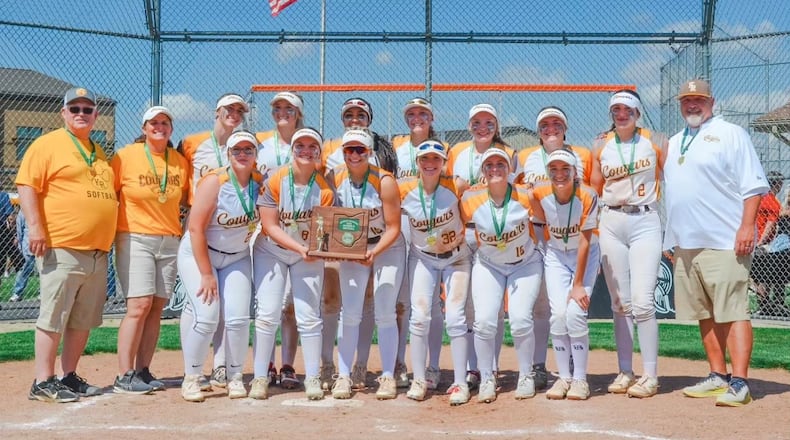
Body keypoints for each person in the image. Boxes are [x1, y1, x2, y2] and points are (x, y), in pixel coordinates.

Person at [663, 79, 768, 407]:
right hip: (685, 242)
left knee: (733, 310)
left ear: (712, 101)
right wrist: (671, 237)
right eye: (686, 100)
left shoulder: (731, 133)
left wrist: (747, 226)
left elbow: (753, 186)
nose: (692, 105)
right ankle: (717, 375)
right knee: (704, 312)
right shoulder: (676, 140)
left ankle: (740, 382)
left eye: (699, 99)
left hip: (724, 239)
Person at [17, 87, 118, 403]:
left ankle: (68, 375)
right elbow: (27, 185)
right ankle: (42, 381)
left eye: (87, 110)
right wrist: (35, 228)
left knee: (82, 319)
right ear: (63, 113)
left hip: (97, 251)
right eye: (74, 108)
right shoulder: (47, 144)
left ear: (95, 115)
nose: (81, 114)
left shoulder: (99, 153)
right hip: (62, 246)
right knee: (53, 316)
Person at [590, 90, 668, 398]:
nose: (621, 114)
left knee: (644, 302)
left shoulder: (657, 140)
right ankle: (625, 371)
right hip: (611, 220)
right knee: (619, 303)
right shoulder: (600, 144)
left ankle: (650, 374)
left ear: (637, 111)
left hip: (645, 219)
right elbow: (596, 188)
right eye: (616, 109)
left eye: (627, 109)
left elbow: (668, 178)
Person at [319, 98, 398, 391]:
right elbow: (327, 213)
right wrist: (336, 249)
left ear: (369, 150)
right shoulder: (333, 174)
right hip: (351, 246)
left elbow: (394, 227)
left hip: (385, 245)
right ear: (342, 151)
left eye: (360, 150)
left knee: (384, 311)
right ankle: (342, 374)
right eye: (349, 149)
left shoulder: (384, 178)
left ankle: (386, 374)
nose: (354, 154)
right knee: (348, 311)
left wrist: (373, 251)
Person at [178, 130, 263, 402]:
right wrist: (206, 273)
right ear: (228, 154)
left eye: (248, 150)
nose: (242, 154)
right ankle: (192, 377)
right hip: (200, 253)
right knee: (207, 315)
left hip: (236, 256)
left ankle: (234, 375)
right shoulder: (215, 181)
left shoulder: (260, 183)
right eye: (237, 150)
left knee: (238, 319)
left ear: (255, 156)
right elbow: (195, 228)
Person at [251, 127, 335, 400]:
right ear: (292, 150)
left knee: (309, 315)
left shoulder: (323, 189)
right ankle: (260, 377)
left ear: (319, 153)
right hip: (272, 250)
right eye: (300, 146)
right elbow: (270, 225)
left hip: (305, 254)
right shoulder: (276, 179)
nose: (306, 151)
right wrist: (301, 247)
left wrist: (317, 250)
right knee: (267, 313)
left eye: (312, 147)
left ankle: (311, 377)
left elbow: (323, 231)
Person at [110, 106, 190, 394]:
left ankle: (142, 370)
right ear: (144, 128)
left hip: (169, 239)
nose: (160, 127)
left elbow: (186, 200)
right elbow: (111, 195)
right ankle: (124, 373)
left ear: (171, 129)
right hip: (135, 236)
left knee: (156, 307)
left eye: (165, 123)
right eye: (154, 123)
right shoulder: (125, 156)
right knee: (139, 305)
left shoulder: (179, 161)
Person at [514, 106, 593, 390]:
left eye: (556, 124)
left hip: (573, 236)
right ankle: (540, 366)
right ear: (537, 131)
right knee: (544, 307)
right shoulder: (525, 158)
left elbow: (590, 194)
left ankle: (573, 368)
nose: (551, 129)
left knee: (568, 310)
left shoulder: (582, 155)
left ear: (565, 128)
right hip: (540, 237)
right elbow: (521, 194)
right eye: (544, 125)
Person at [460, 148, 543, 402]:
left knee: (519, 319)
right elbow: (462, 227)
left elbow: (542, 222)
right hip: (489, 264)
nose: (495, 169)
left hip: (525, 264)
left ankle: (526, 375)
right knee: (484, 321)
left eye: (500, 164)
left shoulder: (526, 195)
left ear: (510, 170)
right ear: (483, 172)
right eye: (489, 165)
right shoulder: (469, 199)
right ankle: (486, 377)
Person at [447, 103, 516, 390]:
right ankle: (470, 368)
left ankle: (490, 363)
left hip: (495, 235)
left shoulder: (509, 153)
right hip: (466, 232)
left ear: (496, 125)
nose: (482, 127)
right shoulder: (457, 153)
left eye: (488, 122)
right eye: (477, 122)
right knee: (467, 304)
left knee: (492, 306)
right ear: (470, 124)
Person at [400, 139, 472, 406]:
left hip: (456, 258)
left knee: (455, 317)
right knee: (419, 316)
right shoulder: (404, 189)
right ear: (417, 163)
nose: (430, 164)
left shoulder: (457, 185)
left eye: (436, 160)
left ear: (444, 163)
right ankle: (420, 378)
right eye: (424, 160)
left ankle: (460, 382)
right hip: (423, 257)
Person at [529, 149, 600, 401]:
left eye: (565, 169)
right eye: (554, 170)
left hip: (585, 256)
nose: (560, 175)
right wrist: (542, 248)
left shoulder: (587, 194)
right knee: (558, 314)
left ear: (575, 172)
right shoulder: (539, 192)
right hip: (556, 254)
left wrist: (578, 284)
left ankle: (580, 379)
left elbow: (584, 241)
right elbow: (536, 218)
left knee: (575, 312)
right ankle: (564, 377)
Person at [391, 97, 446, 391]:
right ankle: (400, 363)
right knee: (403, 303)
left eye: (422, 113)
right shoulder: (396, 150)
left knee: (432, 303)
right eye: (411, 113)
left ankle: (432, 366)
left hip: (432, 227)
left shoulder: (442, 149)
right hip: (403, 224)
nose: (416, 118)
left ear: (431, 118)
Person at [255, 91, 305, 389]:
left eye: (289, 108)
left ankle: (287, 364)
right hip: (266, 230)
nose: (282, 112)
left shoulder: (310, 142)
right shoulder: (260, 145)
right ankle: (267, 364)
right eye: (277, 108)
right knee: (268, 304)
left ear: (298, 113)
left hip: (299, 232)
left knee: (291, 306)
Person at [9, 208, 36, 302]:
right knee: (24, 269)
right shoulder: (24, 209)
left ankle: (43, 293)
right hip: (27, 245)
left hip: (44, 245)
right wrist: (20, 246)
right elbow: (19, 228)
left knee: (45, 271)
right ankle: (17, 293)